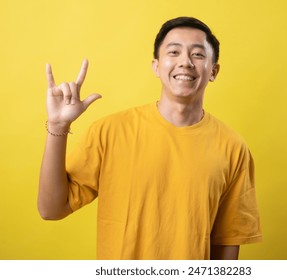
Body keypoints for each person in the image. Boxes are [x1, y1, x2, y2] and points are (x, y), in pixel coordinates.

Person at [38, 16, 262, 260]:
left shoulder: (233, 148)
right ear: (156, 66)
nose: (185, 62)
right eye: (174, 52)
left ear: (213, 71)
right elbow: (51, 209)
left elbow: (227, 241)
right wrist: (58, 125)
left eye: (198, 54)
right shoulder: (109, 132)